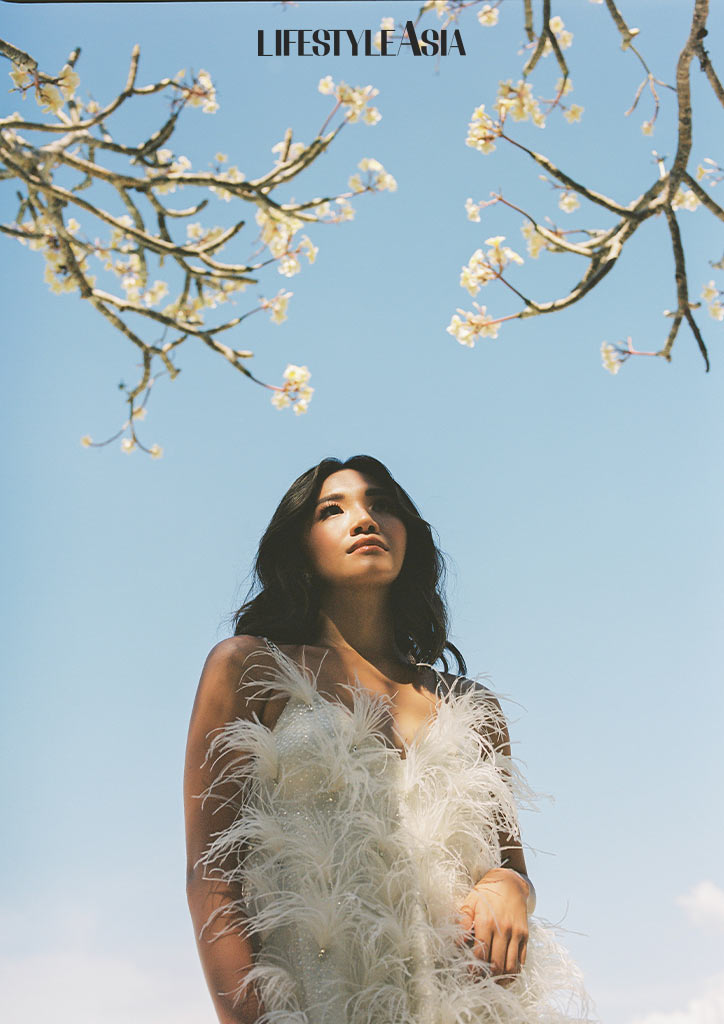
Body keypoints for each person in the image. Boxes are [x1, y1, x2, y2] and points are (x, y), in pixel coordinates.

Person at [184, 455, 589, 1024]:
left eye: (382, 504)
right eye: (333, 509)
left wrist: (510, 885)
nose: (364, 517)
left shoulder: (471, 707)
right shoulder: (251, 670)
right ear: (300, 545)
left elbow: (511, 867)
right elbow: (213, 879)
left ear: (410, 537)